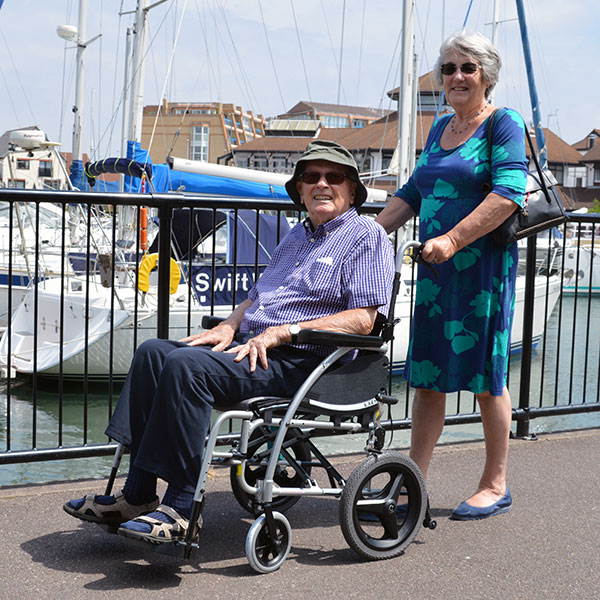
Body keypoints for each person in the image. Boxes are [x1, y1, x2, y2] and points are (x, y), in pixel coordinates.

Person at [64, 140, 395, 544]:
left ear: (351, 189)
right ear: (301, 188)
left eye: (334, 177)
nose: (322, 184)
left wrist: (284, 332)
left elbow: (365, 319)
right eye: (312, 177)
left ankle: (183, 509)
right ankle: (137, 495)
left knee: (187, 368)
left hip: (304, 361)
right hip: (254, 347)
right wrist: (229, 323)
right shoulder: (297, 236)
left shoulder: (366, 236)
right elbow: (257, 296)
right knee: (153, 353)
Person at [376, 31, 528, 520]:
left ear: (486, 74)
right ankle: (413, 484)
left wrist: (453, 240)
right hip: (435, 274)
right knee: (428, 378)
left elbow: (508, 195)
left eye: (467, 67)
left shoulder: (503, 123)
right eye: (448, 68)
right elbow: (414, 192)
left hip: (480, 270)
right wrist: (363, 239)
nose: (457, 76)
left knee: (487, 379)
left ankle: (495, 484)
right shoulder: (440, 126)